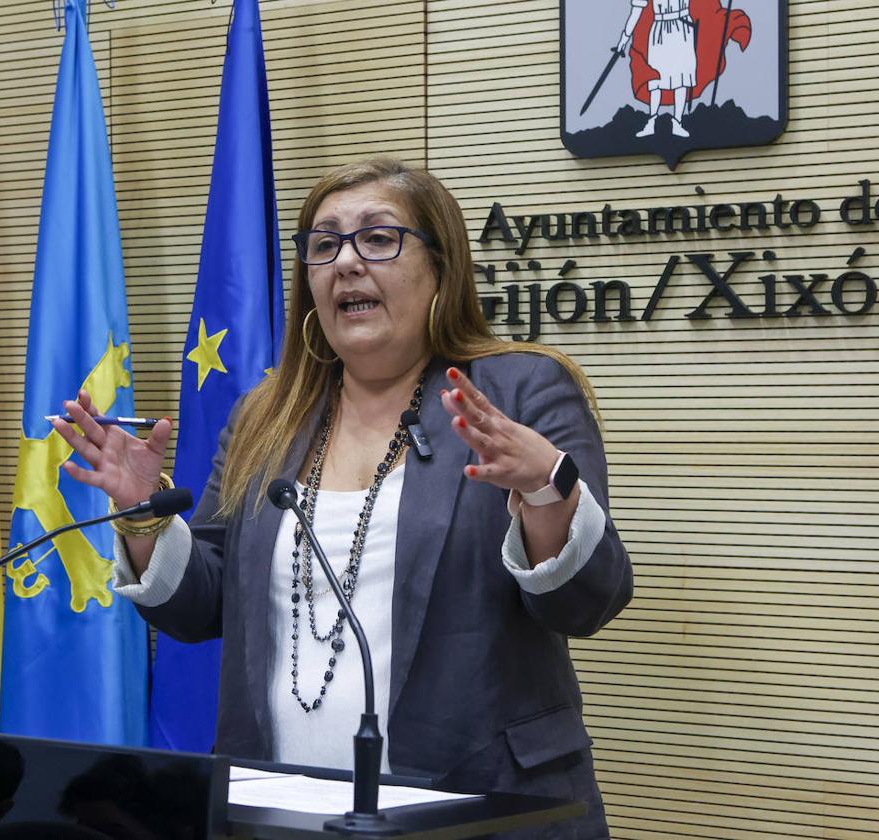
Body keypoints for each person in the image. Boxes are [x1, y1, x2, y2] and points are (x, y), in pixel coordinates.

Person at [51, 158, 632, 839]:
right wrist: (145, 510)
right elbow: (202, 605)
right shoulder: (267, 416)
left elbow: (587, 601)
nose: (346, 263)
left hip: (481, 808)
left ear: (441, 267)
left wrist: (544, 490)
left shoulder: (519, 392)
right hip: (279, 809)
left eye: (378, 237)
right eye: (324, 244)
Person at [619, 0, 697, 138]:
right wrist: (624, 38)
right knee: (655, 78)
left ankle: (677, 123)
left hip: (683, 27)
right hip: (660, 31)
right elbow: (637, 10)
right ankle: (651, 122)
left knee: (682, 78)